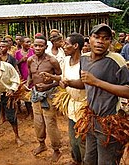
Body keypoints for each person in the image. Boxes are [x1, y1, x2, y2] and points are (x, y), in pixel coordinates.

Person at [63, 24, 129, 164]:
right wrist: (68, 82)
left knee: (105, 162)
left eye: (105, 38)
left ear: (110, 42)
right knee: (89, 159)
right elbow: (84, 83)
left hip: (110, 122)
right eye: (97, 37)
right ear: (90, 39)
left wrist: (97, 82)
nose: (100, 41)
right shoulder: (84, 58)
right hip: (91, 119)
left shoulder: (116, 61)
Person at [40, 33, 86, 165]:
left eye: (66, 44)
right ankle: (76, 160)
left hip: (83, 106)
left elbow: (83, 83)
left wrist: (67, 83)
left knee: (82, 139)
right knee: (73, 138)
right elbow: (63, 78)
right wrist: (52, 77)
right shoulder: (66, 60)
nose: (63, 46)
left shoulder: (85, 62)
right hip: (71, 104)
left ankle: (84, 161)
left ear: (76, 46)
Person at [27, 35, 62, 162]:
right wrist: (27, 85)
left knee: (50, 123)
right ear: (33, 46)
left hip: (49, 95)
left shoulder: (52, 61)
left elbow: (60, 79)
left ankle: (56, 149)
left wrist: (48, 85)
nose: (38, 48)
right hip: (36, 95)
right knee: (38, 122)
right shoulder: (30, 60)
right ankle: (41, 144)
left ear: (46, 47)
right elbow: (30, 76)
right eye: (36, 45)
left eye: (41, 46)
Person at [15, 36, 34, 117]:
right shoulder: (17, 53)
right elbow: (15, 65)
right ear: (22, 43)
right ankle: (29, 112)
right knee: (26, 95)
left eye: (30, 42)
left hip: (33, 76)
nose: (29, 44)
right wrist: (21, 60)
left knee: (34, 93)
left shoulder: (33, 51)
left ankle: (35, 112)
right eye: (27, 42)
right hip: (23, 76)